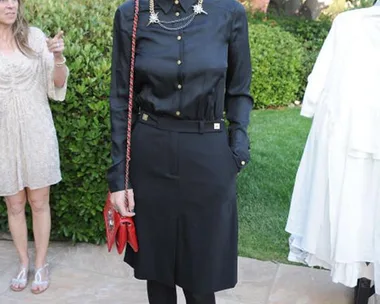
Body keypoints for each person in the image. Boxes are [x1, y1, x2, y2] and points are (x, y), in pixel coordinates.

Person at [107, 0, 253, 302]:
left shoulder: (228, 12)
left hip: (207, 153)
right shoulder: (131, 14)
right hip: (151, 154)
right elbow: (121, 98)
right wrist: (119, 178)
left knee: (202, 274)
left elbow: (239, 89)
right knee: (157, 271)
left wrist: (237, 147)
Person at [285, 1, 380, 299]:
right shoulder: (348, 24)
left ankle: (364, 278)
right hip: (353, 133)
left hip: (353, 131)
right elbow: (325, 70)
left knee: (358, 207)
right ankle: (363, 276)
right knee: (359, 208)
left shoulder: (348, 24)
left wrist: (314, 105)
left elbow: (322, 75)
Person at [0, 0, 69, 295]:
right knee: (14, 204)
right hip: (3, 134)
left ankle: (40, 264)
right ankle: (23, 263)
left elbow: (56, 86)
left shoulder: (34, 37)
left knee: (39, 202)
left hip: (36, 128)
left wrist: (58, 57)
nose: (10, 4)